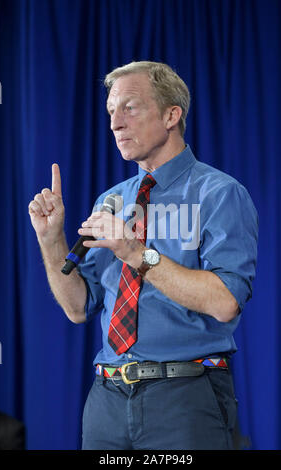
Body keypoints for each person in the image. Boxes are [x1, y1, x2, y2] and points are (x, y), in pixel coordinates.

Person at [28, 61, 258, 450]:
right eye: (111, 112)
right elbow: (78, 307)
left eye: (130, 108)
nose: (116, 123)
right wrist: (51, 241)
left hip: (184, 395)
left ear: (172, 115)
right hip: (107, 397)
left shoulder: (219, 194)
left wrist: (135, 253)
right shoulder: (112, 200)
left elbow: (225, 303)